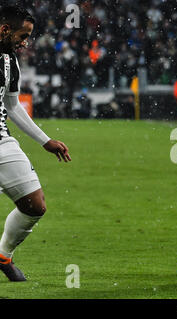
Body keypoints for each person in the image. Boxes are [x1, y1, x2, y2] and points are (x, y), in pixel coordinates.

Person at [0, 5, 71, 281]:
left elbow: (13, 106)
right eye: (22, 35)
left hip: (1, 139)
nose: (25, 42)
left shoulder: (9, 61)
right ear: (5, 29)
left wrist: (45, 140)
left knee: (35, 205)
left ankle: (3, 255)